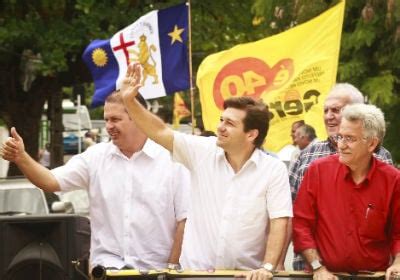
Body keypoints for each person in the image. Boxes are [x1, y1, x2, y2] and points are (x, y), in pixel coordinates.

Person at [120, 63, 292, 279]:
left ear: (251, 134)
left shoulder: (273, 170)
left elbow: (280, 221)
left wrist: (267, 268)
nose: (220, 127)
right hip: (195, 274)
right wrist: (129, 100)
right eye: (221, 120)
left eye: (229, 123)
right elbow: (160, 130)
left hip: (246, 276)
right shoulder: (202, 150)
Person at [1, 92, 190, 270]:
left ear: (138, 117)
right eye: (106, 119)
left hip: (155, 272)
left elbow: (184, 221)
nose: (108, 126)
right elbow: (50, 181)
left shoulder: (172, 161)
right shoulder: (95, 158)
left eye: (115, 119)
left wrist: (171, 270)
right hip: (107, 270)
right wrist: (21, 157)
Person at [287, 83, 393, 271]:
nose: (328, 116)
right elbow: (295, 217)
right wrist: (316, 266)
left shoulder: (385, 166)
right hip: (315, 272)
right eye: (326, 110)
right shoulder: (309, 159)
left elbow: (393, 226)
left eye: (336, 110)